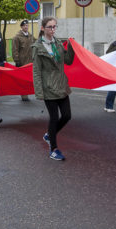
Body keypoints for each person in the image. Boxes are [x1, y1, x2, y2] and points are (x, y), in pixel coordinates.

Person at [33, 17, 76, 161]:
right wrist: (39, 92)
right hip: (48, 87)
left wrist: (71, 47)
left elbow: (68, 61)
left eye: (54, 26)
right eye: (50, 27)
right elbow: (36, 71)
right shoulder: (37, 47)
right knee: (54, 118)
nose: (53, 30)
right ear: (43, 28)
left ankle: (49, 135)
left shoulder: (58, 43)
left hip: (61, 84)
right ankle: (54, 149)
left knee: (67, 115)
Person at [12, 19, 36, 101]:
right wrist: (16, 60)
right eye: (25, 26)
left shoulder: (31, 36)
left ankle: (27, 92)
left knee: (29, 78)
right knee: (22, 79)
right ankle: (24, 95)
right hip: (22, 61)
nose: (26, 27)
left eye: (27, 25)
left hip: (30, 61)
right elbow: (15, 49)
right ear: (21, 27)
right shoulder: (17, 37)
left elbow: (36, 43)